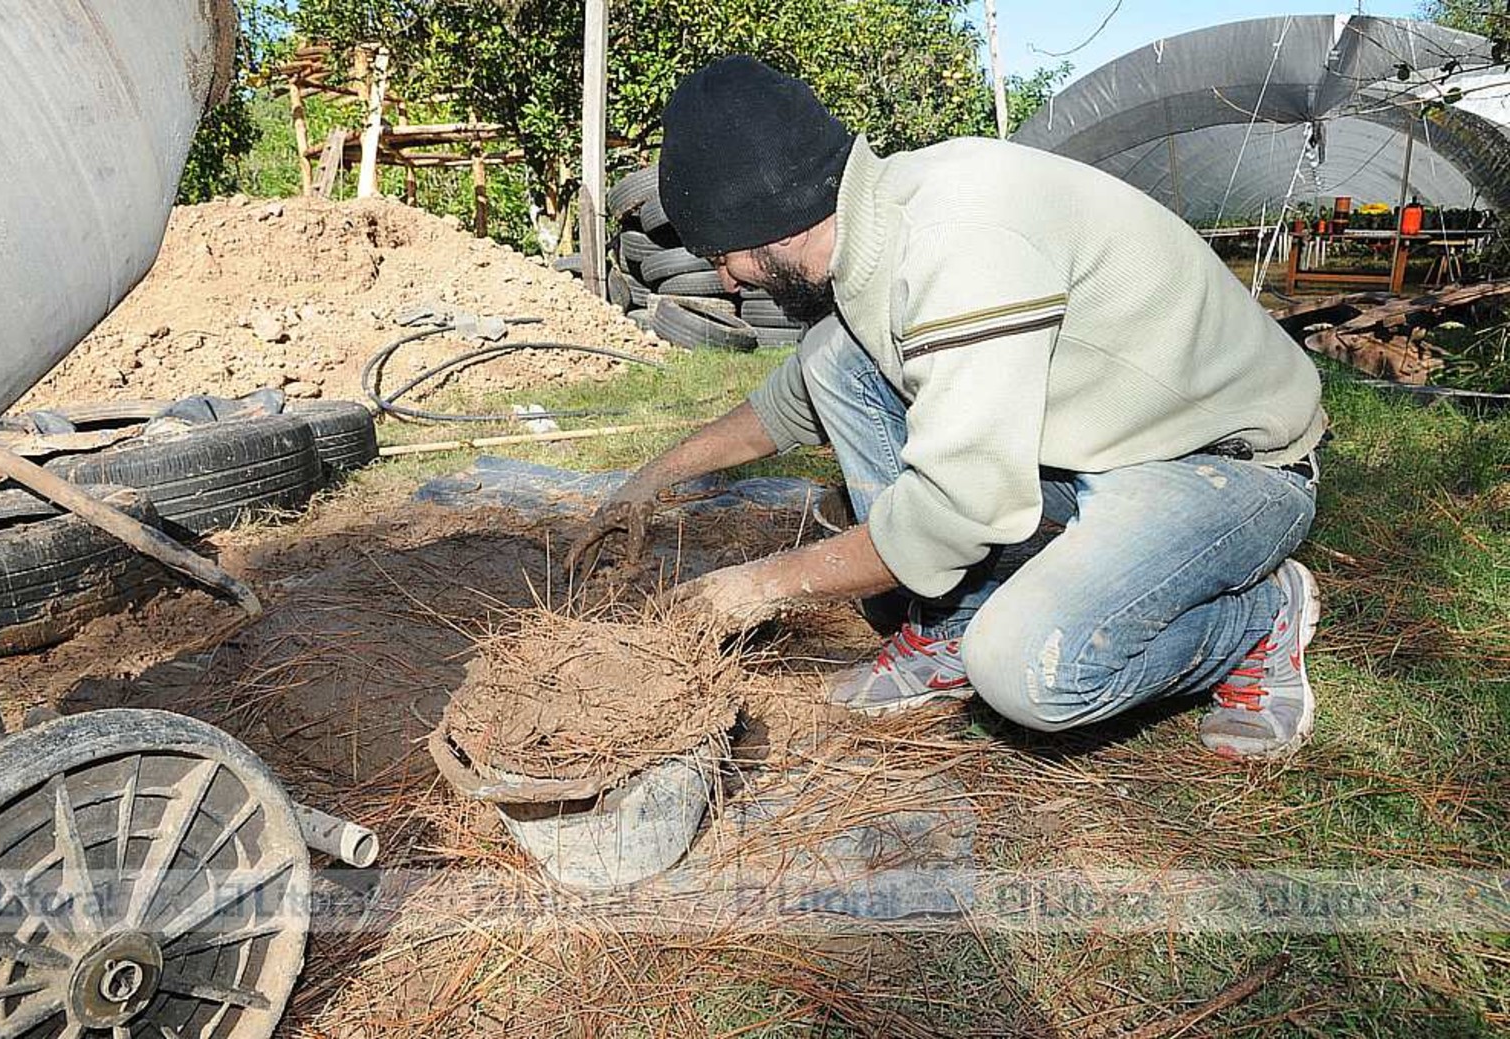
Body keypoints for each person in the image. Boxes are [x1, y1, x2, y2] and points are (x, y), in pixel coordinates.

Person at [568, 56, 1328, 761]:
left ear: (775, 226)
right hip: (1091, 442)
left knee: (1026, 672)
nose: (728, 284)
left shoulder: (961, 249)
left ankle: (1257, 623)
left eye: (721, 259)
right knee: (833, 357)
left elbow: (954, 512)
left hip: (1220, 466)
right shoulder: (875, 226)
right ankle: (945, 627)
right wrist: (653, 475)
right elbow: (791, 403)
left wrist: (745, 588)